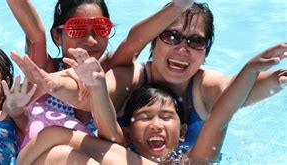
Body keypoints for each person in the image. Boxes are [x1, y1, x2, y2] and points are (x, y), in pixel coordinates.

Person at [12, 1, 287, 148]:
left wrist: (273, 76)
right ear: (154, 44)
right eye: (171, 36)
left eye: (196, 41)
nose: (182, 48)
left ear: (206, 52)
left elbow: (244, 91)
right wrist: (51, 84)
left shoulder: (206, 86)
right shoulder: (127, 76)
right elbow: (89, 94)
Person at [17, 45, 286, 164]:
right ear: (130, 131)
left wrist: (250, 70)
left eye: (166, 117)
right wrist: (97, 85)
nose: (156, 125)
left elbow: (221, 115)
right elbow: (54, 135)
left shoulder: (194, 161)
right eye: (145, 117)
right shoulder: (118, 148)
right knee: (59, 153)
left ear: (182, 132)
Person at [8, 0, 196, 133]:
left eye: (100, 28)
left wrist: (177, 6)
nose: (90, 40)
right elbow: (36, 33)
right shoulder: (44, 69)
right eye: (77, 29)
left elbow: (134, 41)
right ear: (58, 35)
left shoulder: (108, 69)